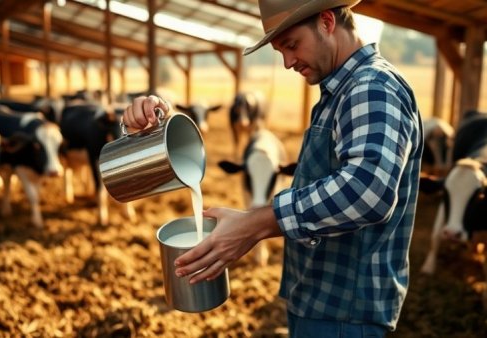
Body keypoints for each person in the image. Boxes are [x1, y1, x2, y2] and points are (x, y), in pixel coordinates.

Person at [122, 0, 423, 337]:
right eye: (281, 51)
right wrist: (154, 125)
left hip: (344, 314)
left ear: (326, 22)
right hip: (320, 300)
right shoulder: (341, 91)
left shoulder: (371, 87)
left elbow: (369, 191)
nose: (288, 62)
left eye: (292, 45)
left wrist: (258, 223)